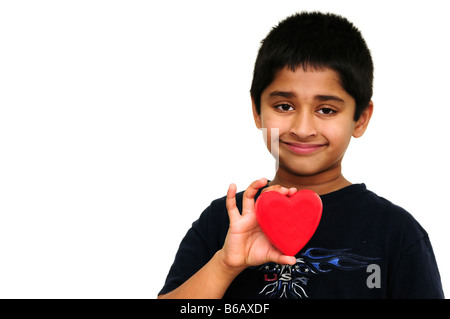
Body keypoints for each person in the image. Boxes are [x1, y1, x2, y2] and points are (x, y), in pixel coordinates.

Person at [158, 11, 444, 299]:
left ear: (360, 119)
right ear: (257, 110)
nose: (303, 129)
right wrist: (225, 264)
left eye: (327, 110)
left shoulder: (396, 232)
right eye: (284, 106)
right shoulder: (224, 220)